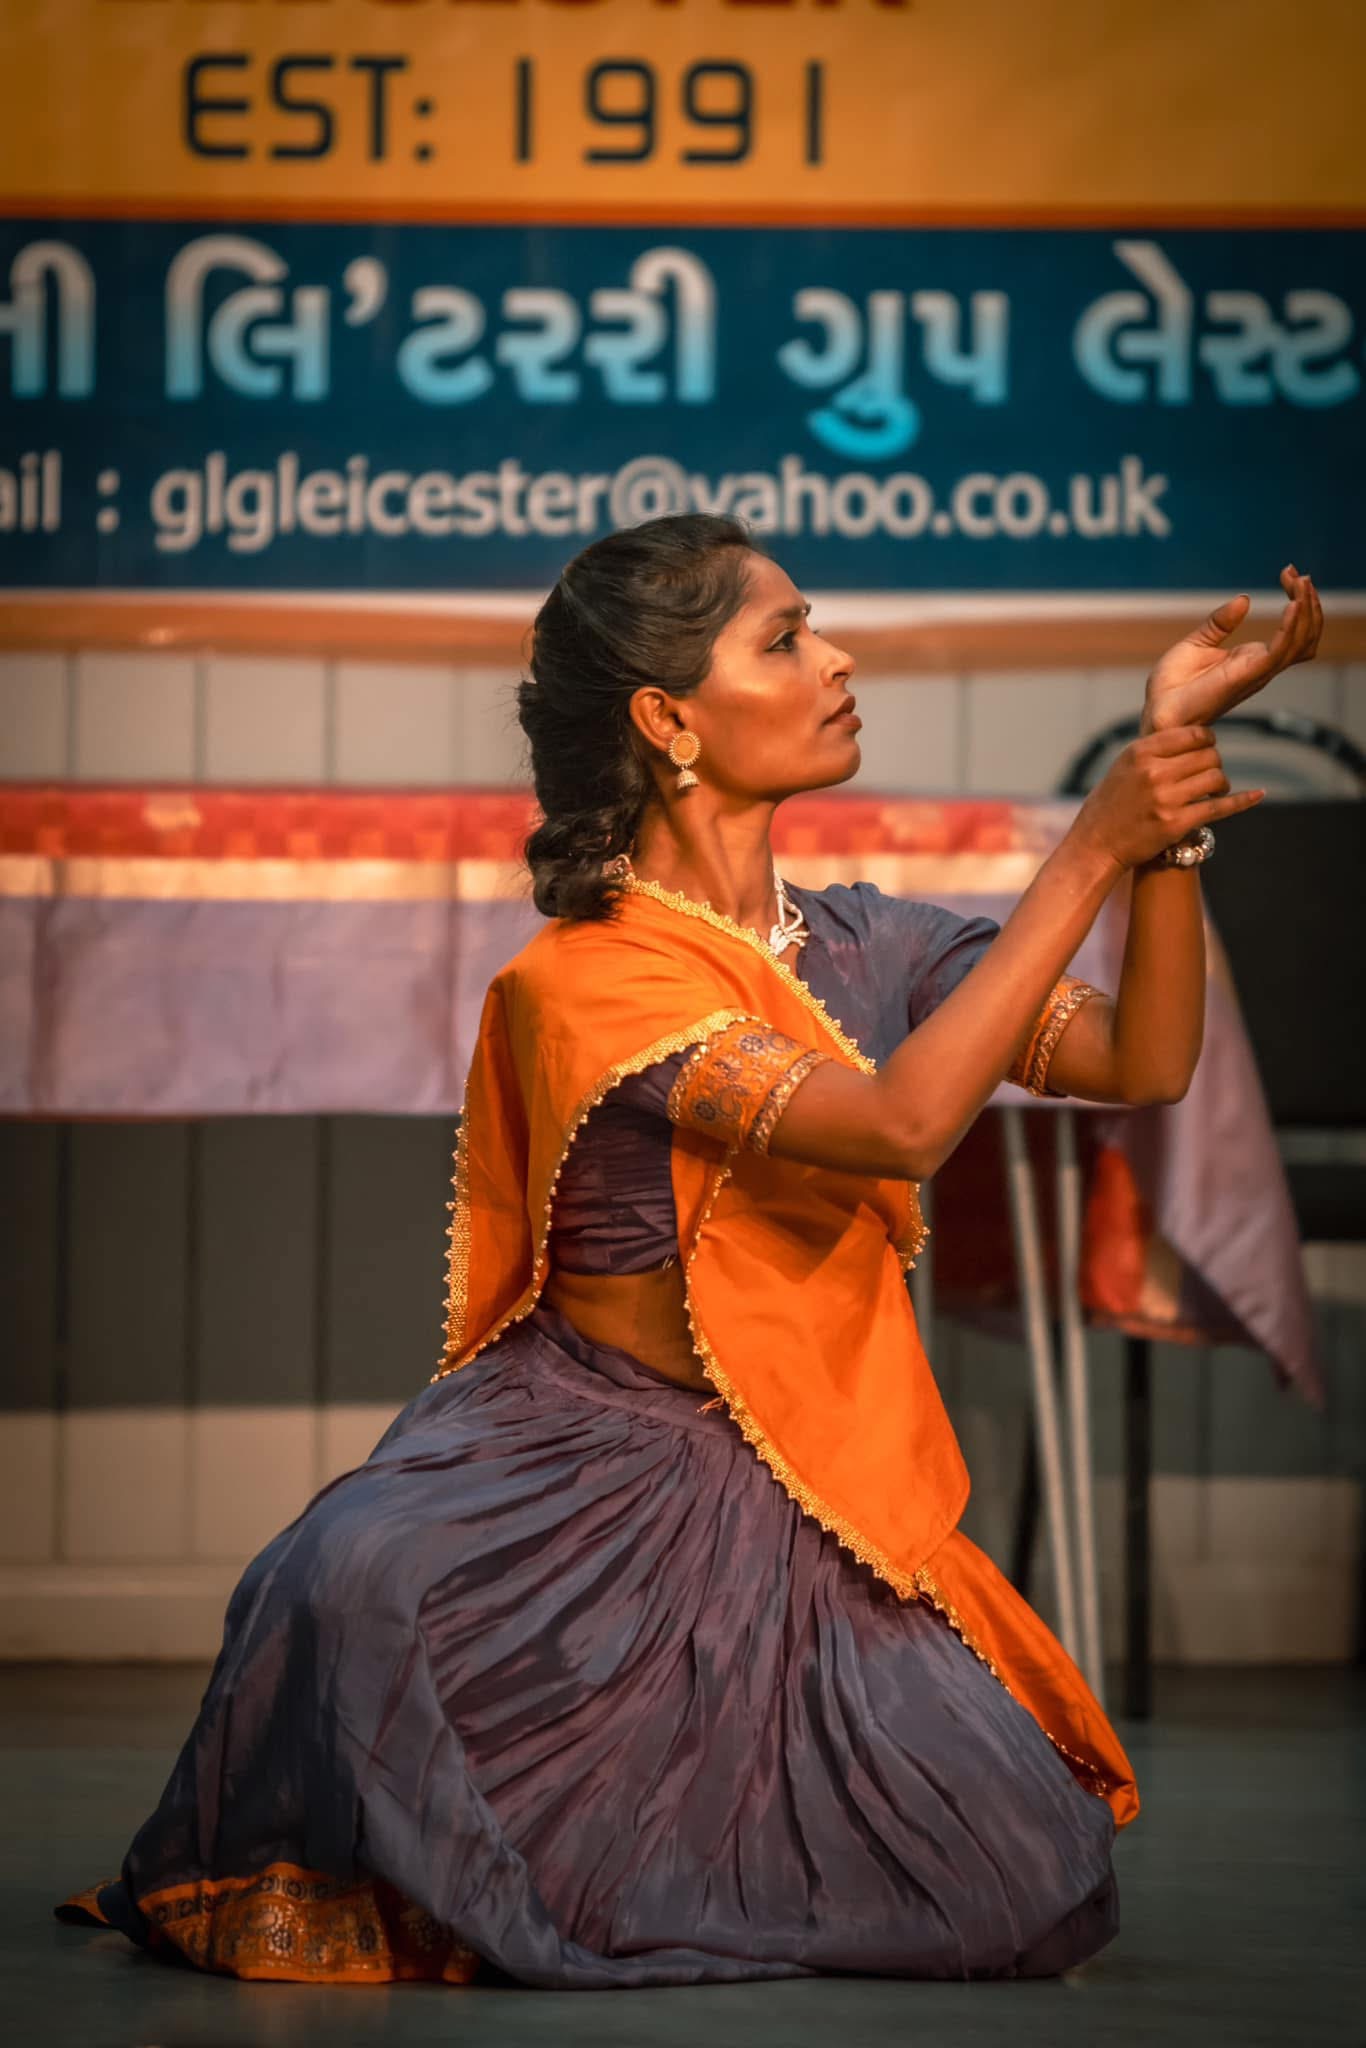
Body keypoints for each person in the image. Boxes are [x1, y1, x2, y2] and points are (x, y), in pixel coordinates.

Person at [56, 515, 1321, 1989]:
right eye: (783, 638)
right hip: (573, 1455)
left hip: (795, 1480)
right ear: (667, 718)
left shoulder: (871, 947)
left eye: (813, 627)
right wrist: (1088, 846)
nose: (833, 658)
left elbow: (1144, 1060)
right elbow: (904, 1125)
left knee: (1019, 1881)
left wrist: (1157, 835)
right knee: (354, 1585)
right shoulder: (593, 977)